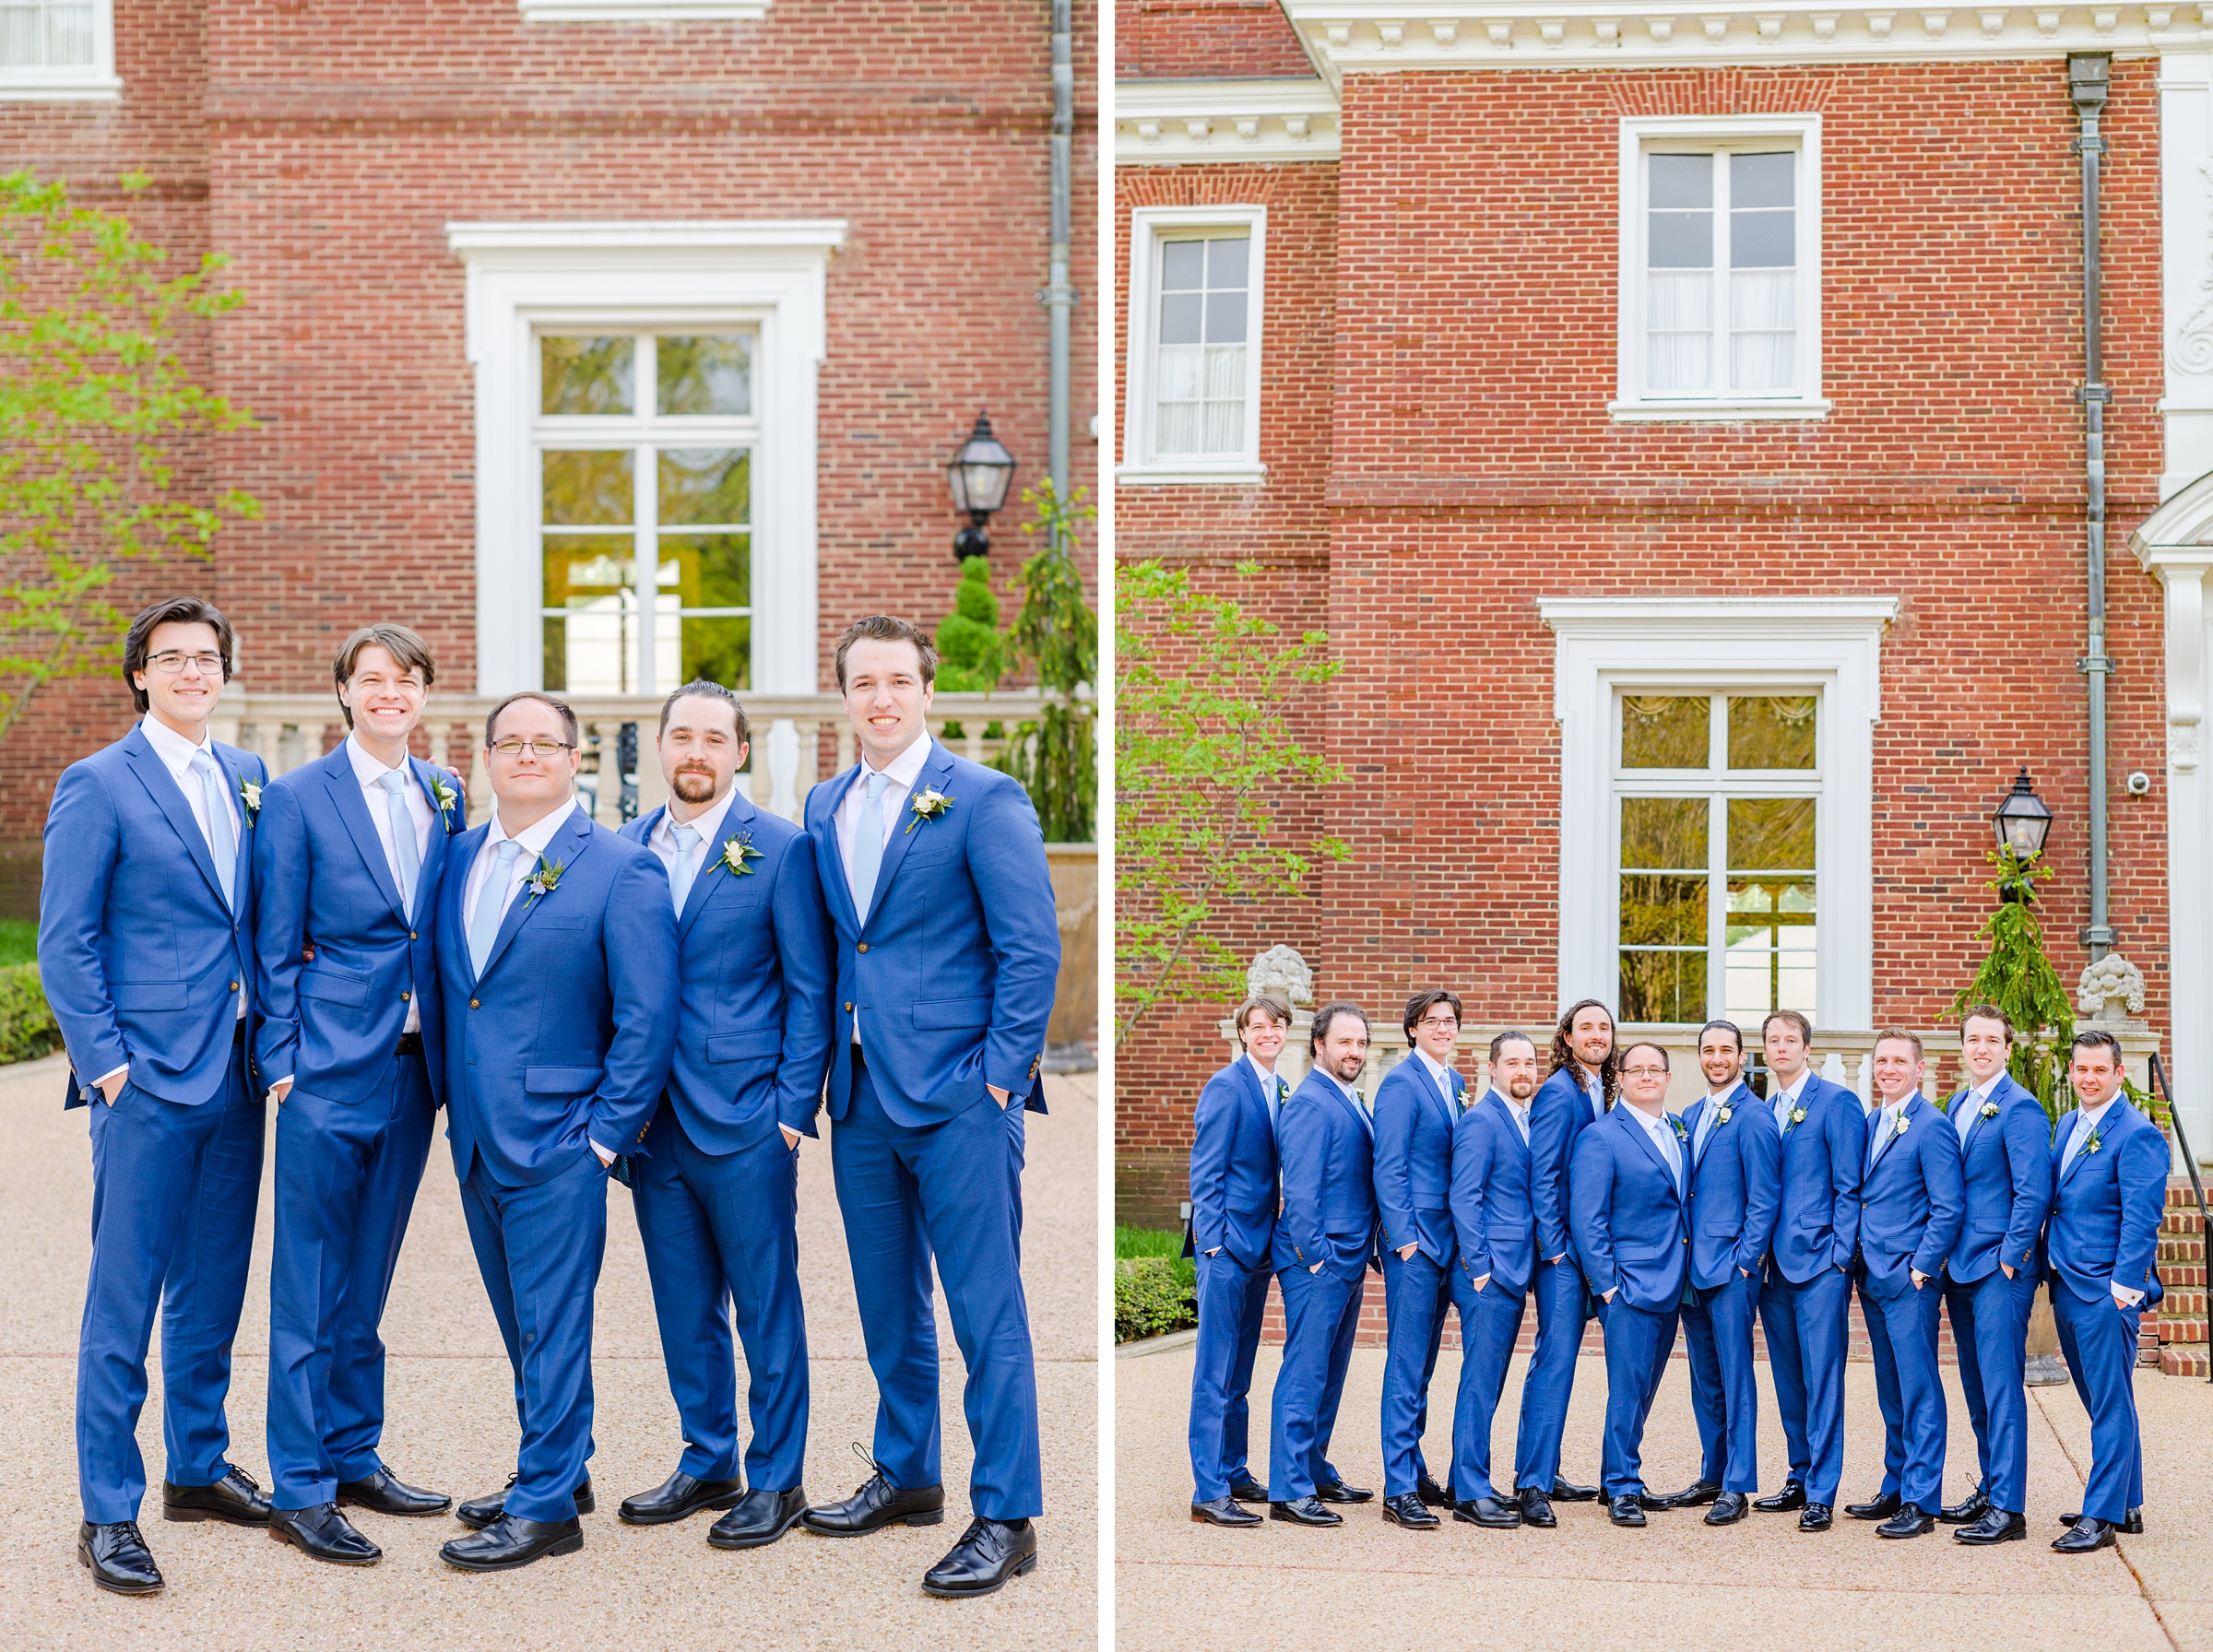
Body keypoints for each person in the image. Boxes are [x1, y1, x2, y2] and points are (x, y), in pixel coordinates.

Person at [799, 616, 1059, 1599]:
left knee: (986, 1312)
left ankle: (1007, 1514)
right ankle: (908, 1474)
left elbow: (1030, 948)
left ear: (925, 689)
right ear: (846, 695)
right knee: (887, 1304)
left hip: (959, 1097)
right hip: (862, 1095)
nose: (880, 697)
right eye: (863, 682)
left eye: (897, 680)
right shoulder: (826, 804)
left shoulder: (983, 799)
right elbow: (839, 949)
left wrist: (996, 1076)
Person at [41, 596, 273, 1595]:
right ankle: (107, 1507)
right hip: (145, 1078)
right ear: (139, 673)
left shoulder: (248, 775)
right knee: (126, 1295)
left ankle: (198, 1464)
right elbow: (66, 940)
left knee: (215, 1286)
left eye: (206, 657)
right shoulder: (97, 782)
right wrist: (108, 1065)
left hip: (238, 1068)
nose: (191, 671)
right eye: (171, 658)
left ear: (223, 673)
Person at [434, 691, 678, 1572]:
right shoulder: (456, 857)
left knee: (555, 1322)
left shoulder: (620, 867)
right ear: (489, 758)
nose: (526, 755)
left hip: (565, 1140)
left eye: (546, 743)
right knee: (520, 1323)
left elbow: (648, 1017)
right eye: (510, 743)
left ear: (574, 759)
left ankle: (546, 1513)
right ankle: (560, 1464)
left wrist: (605, 1138)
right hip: (475, 1137)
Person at [252, 624, 462, 1564]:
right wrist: (283, 1060)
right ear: (343, 693)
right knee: (308, 1279)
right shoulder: (298, 799)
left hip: (416, 1071)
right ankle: (299, 1484)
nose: (389, 693)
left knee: (368, 1275)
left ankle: (351, 1450)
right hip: (326, 1069)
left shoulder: (445, 794)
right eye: (371, 679)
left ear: (423, 696)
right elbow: (272, 941)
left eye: (405, 680)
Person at [615, 682, 834, 1550]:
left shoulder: (781, 850)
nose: (696, 752)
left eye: (714, 738)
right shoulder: (622, 847)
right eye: (681, 737)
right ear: (659, 749)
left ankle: (777, 1478)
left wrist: (789, 1111)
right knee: (682, 1303)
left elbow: (809, 989)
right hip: (648, 1123)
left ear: (740, 751)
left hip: (745, 1119)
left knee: (764, 1302)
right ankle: (708, 1458)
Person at [2045, 1029, 2167, 1553]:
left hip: (2104, 1290)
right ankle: (2126, 1504)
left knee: (2111, 1402)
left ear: (2119, 1074)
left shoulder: (2136, 1133)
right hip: (2067, 1282)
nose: (2089, 1078)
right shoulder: (2068, 1123)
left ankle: (2100, 1514)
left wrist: (2123, 1289)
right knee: (2102, 1400)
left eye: (2100, 1070)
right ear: (2072, 1072)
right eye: (2081, 1069)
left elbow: (2143, 1219)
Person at [1938, 1004, 2053, 1546]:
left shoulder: (2020, 1109)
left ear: (2008, 1049)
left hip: (1999, 1269)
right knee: (1976, 1382)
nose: (1981, 1049)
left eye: (1991, 1040)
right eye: (1973, 1040)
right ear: (1963, 1048)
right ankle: (1989, 1484)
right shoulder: (1959, 1104)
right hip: (1960, 1266)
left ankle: (2009, 1507)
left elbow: (2033, 1192)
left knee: (2002, 1383)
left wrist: (2010, 1257)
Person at [1844, 1031, 1964, 1540]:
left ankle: (1921, 1499)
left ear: (1919, 1069)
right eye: (1881, 1061)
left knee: (1918, 1389)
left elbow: (1948, 1205)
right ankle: (1895, 1485)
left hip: (1908, 1279)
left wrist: (1921, 1268)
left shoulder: (1931, 1126)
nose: (1888, 1068)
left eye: (1899, 1061)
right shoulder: (1873, 1122)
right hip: (1872, 1275)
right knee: (1890, 1389)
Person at [1660, 1020, 1780, 1525]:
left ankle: (1737, 1484)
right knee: (1704, 1378)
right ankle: (1712, 1472)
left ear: (1740, 1056)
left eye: (1725, 1051)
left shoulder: (1754, 1118)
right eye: (1708, 1051)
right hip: (1691, 1269)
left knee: (1736, 1376)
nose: (1716, 1059)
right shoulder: (1689, 1114)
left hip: (1731, 1269)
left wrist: (1745, 1262)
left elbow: (1764, 1197)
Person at [1267, 1001, 1380, 1527]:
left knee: (1331, 1372)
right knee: (1305, 1370)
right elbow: (1302, 1190)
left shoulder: (1348, 1097)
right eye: (1344, 1042)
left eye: (1360, 1043)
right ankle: (1289, 1490)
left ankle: (1312, 1467)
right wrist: (1317, 1259)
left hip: (1348, 1256)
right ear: (1319, 1045)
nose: (1354, 1052)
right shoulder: (1312, 1102)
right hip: (1320, 1258)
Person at [1568, 1041, 1691, 1528]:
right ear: (1619, 1078)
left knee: (1644, 1388)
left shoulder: (1675, 1131)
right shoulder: (1601, 1137)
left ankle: (1618, 1476)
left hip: (1674, 1280)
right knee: (1627, 1387)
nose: (1646, 1076)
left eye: (1655, 1069)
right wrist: (1608, 1287)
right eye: (1635, 1069)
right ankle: (1622, 1486)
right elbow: (1588, 1217)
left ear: (1666, 1076)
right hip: (1630, 1286)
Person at [1752, 1009, 1863, 1532]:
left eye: (1789, 1039)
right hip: (1770, 1268)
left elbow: (1849, 1187)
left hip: (1819, 1263)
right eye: (1772, 1040)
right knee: (1788, 1378)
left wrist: (1840, 1257)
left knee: (1823, 1379)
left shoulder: (1836, 1102)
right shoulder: (1764, 1108)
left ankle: (1822, 1489)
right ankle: (1798, 1474)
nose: (1780, 1048)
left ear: (1806, 1047)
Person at [1186, 994, 1294, 1527]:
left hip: (1260, 1246)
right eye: (1259, 1026)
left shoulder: (1279, 1088)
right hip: (1226, 1246)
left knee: (1241, 1367)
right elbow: (1205, 1168)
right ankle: (1208, 1490)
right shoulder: (1227, 1086)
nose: (1268, 1033)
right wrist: (1212, 1241)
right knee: (1214, 1368)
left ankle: (1233, 1468)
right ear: (1244, 1033)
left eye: (1277, 1025)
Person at [1370, 988, 1466, 1528]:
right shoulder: (1401, 1083)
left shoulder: (1452, 1083)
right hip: (1415, 1245)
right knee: (1406, 1363)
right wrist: (1404, 1237)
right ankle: (1398, 1487)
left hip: (1445, 1239)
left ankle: (1415, 1465)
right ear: (1412, 1029)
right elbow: (1390, 1165)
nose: (1443, 1029)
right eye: (1432, 1022)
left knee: (1426, 1363)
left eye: (1450, 1021)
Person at [1518, 999, 1615, 1508]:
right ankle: (1532, 1484)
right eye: (1586, 1027)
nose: (1596, 1034)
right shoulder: (1558, 1092)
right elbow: (1544, 1175)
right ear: (1568, 1037)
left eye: (1604, 1027)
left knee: (1562, 1362)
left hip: (1587, 1249)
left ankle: (1546, 1470)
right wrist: (1554, 1249)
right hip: (1563, 1257)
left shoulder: (1597, 1088)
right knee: (1554, 1361)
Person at [1446, 1031, 1542, 1530]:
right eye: (1513, 1063)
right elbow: (1465, 1198)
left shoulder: (1524, 1120)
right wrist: (1481, 1268)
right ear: (1492, 1069)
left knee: (1489, 1381)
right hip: (1489, 1274)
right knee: (1481, 1384)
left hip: (1511, 1269)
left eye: (1530, 1062)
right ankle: (1470, 1493)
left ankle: (1464, 1479)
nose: (1523, 1071)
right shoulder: (1482, 1121)